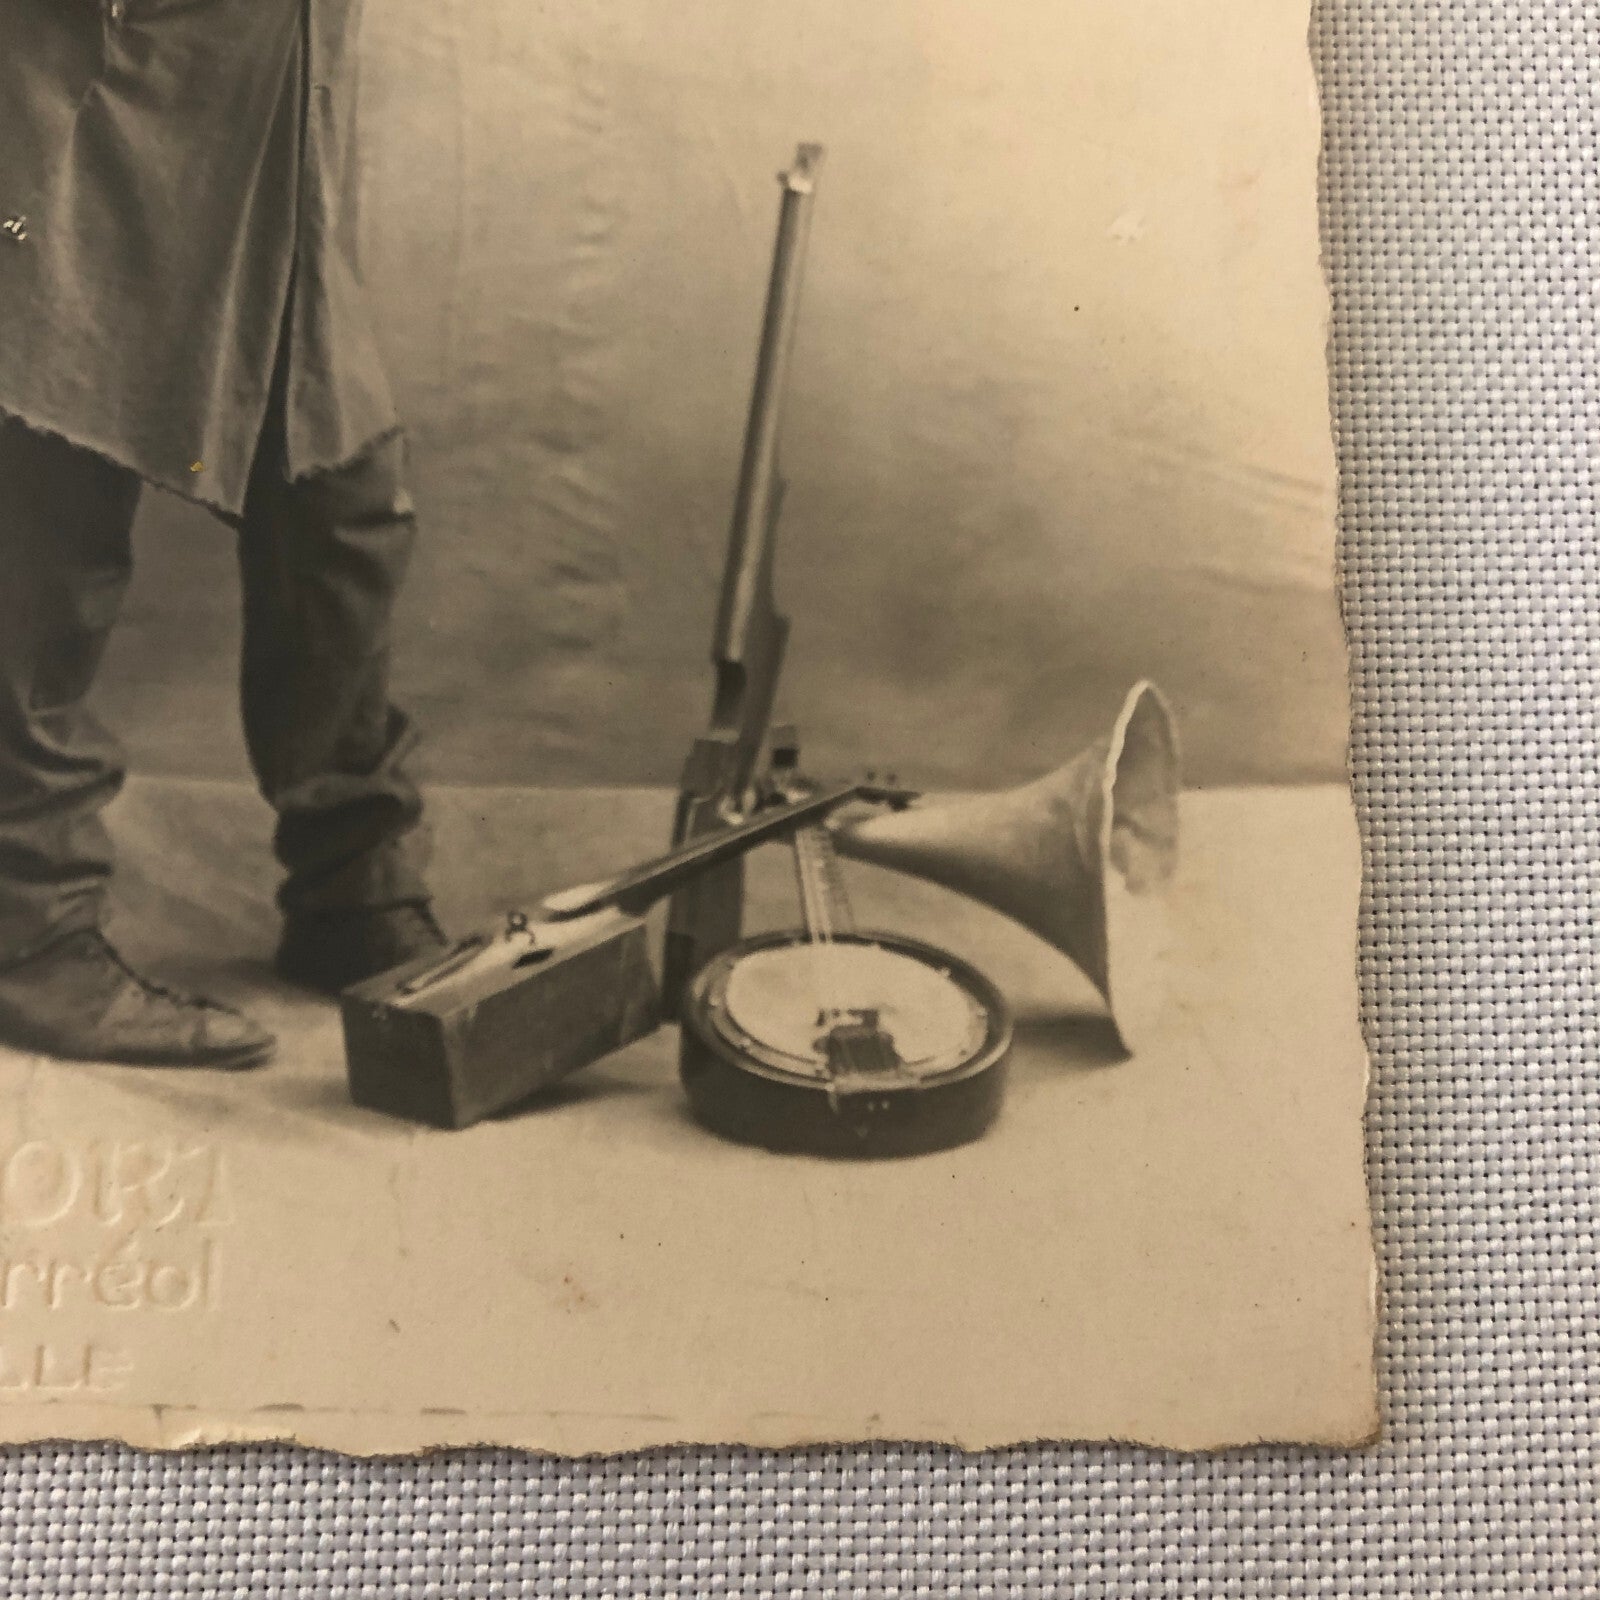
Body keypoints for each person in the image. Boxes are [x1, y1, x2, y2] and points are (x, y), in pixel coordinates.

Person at [0, 0, 449, 1070]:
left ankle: (351, 888)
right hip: (99, 97)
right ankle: (29, 937)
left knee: (340, 495)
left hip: (275, 97)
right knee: (47, 528)